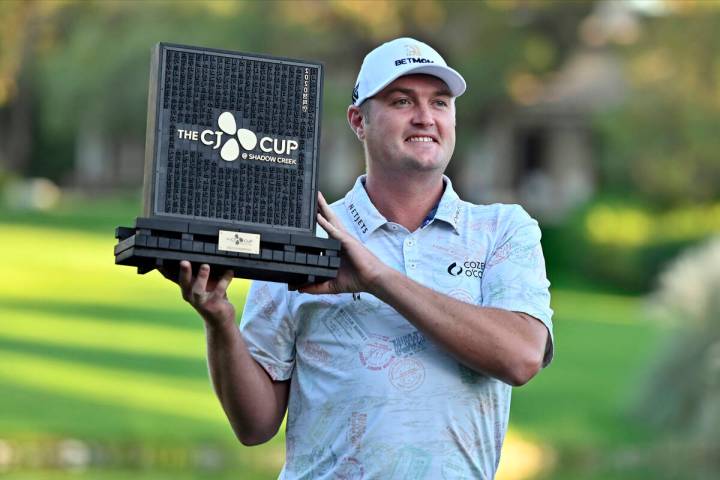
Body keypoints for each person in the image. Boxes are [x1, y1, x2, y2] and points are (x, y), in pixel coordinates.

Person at [168, 37, 554, 479]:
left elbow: (521, 357)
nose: (425, 117)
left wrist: (375, 278)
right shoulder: (304, 235)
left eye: (440, 103)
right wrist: (220, 323)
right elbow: (255, 426)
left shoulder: (502, 229)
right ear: (359, 120)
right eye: (401, 101)